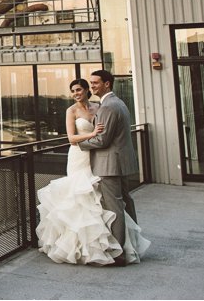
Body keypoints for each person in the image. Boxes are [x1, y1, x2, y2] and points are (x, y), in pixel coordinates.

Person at [36, 77, 150, 265]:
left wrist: (97, 137)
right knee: (80, 197)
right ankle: (80, 246)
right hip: (79, 155)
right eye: (72, 91)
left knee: (101, 198)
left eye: (79, 90)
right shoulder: (71, 111)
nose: (75, 94)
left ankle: (107, 242)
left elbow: (107, 133)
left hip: (98, 156)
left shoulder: (100, 107)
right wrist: (93, 134)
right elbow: (72, 138)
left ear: (87, 90)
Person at [78, 69, 150, 265]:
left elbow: (102, 140)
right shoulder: (119, 103)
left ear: (107, 84)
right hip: (120, 162)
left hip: (109, 165)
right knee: (126, 202)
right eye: (91, 83)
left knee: (115, 208)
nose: (92, 86)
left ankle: (119, 253)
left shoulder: (108, 107)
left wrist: (80, 144)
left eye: (95, 83)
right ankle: (133, 244)